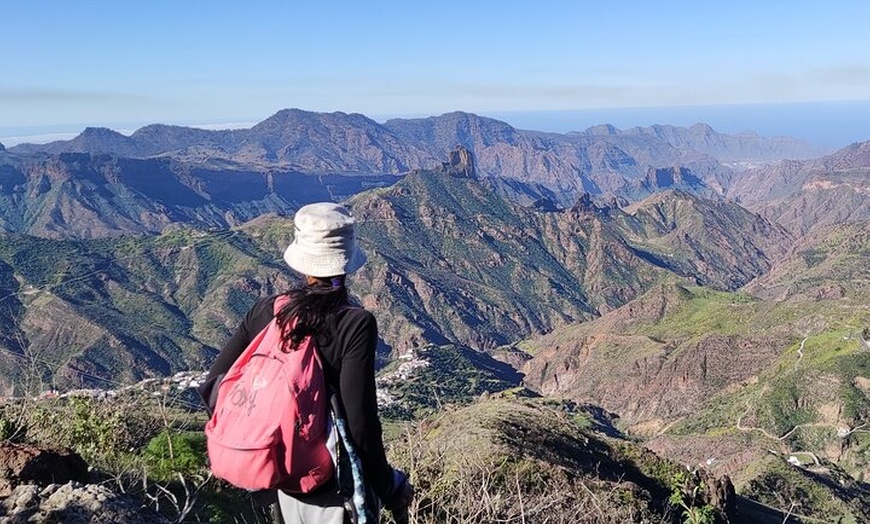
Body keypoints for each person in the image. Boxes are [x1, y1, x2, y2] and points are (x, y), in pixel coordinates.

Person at [204, 202, 413, 524]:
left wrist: (261, 437)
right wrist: (389, 485)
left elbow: (215, 384)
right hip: (329, 486)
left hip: (274, 476)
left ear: (303, 260)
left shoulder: (268, 310)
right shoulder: (354, 324)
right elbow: (360, 423)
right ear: (347, 260)